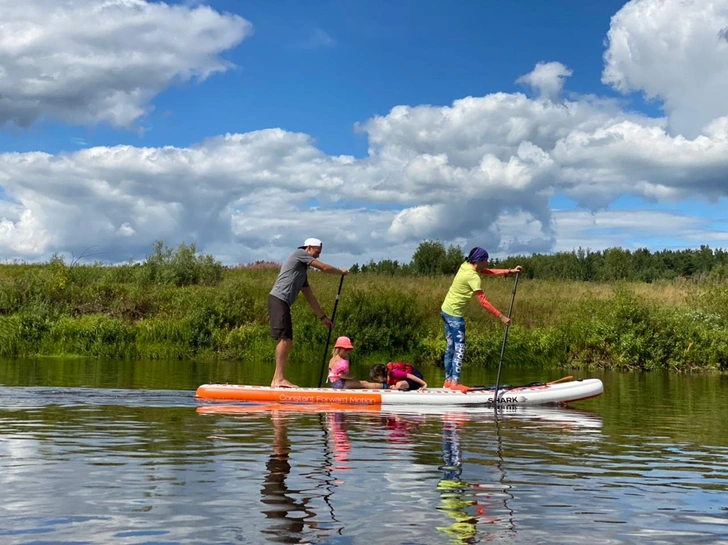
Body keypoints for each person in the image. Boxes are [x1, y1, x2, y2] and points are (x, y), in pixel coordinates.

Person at [268, 237, 348, 388]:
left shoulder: (301, 272)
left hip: (281, 302)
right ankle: (278, 379)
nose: (318, 256)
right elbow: (324, 268)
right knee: (285, 339)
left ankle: (277, 379)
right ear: (309, 247)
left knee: (287, 339)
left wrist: (323, 317)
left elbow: (309, 295)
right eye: (317, 252)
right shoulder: (299, 253)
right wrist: (340, 272)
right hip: (278, 299)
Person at [440, 247, 523, 392]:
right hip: (455, 316)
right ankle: (455, 383)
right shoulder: (473, 277)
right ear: (479, 260)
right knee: (459, 348)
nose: (487, 263)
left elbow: (486, 271)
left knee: (450, 346)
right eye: (486, 260)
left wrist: (508, 271)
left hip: (445, 310)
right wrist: (501, 317)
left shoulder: (465, 266)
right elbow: (483, 302)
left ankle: (448, 381)